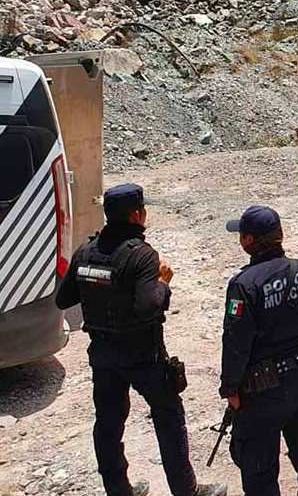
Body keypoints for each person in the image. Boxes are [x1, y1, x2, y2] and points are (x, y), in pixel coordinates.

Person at [55, 184, 226, 496]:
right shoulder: (142, 255)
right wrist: (163, 281)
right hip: (142, 355)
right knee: (168, 416)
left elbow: (63, 299)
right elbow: (148, 306)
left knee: (108, 424)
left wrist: (96, 285)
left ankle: (118, 490)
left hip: (103, 353)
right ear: (137, 214)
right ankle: (186, 490)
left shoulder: (85, 251)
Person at [221, 206, 298, 496]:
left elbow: (235, 344)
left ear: (247, 241)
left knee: (259, 468)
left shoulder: (244, 285)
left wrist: (230, 388)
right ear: (280, 235)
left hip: (261, 393)